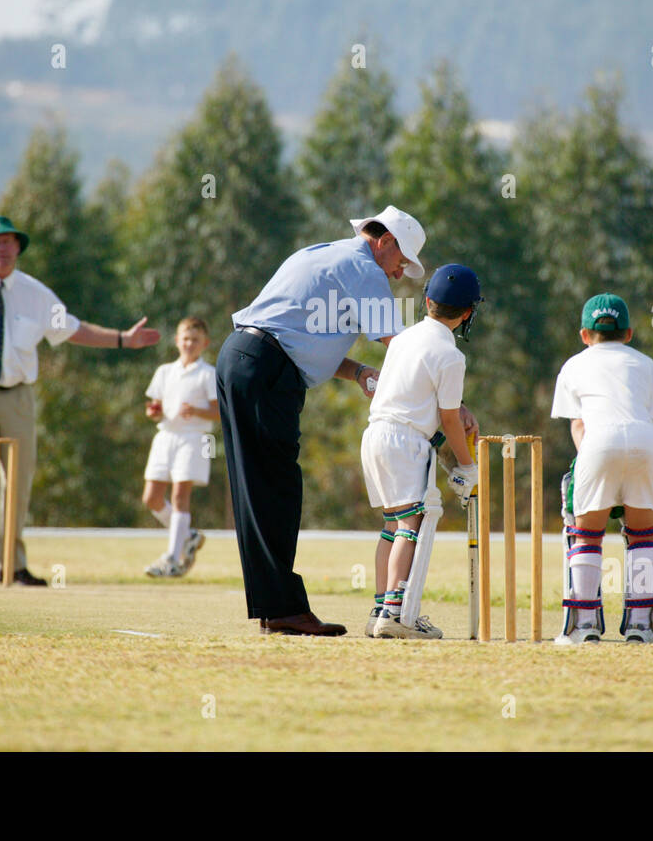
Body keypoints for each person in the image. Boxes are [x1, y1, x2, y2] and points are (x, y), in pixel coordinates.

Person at [218, 205, 476, 636]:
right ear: (386, 241)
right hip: (264, 370)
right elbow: (407, 348)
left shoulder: (325, 253)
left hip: (244, 360)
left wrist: (357, 371)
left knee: (262, 490)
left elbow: (302, 336)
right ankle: (281, 609)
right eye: (401, 262)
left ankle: (275, 608)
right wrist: (457, 404)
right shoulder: (364, 270)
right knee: (276, 489)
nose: (399, 274)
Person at [0, 215, 161, 585]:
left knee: (18, 481)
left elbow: (73, 329)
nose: (2, 248)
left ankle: (14, 566)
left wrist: (122, 340)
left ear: (18, 247)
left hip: (17, 395)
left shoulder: (35, 293)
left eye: (8, 242)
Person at [362, 264, 481, 639]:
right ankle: (396, 615)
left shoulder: (402, 339)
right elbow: (448, 419)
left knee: (392, 525)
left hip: (375, 434)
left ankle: (381, 609)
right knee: (410, 525)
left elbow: (436, 404)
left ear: (427, 300)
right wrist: (467, 465)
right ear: (468, 313)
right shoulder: (451, 356)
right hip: (405, 441)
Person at [550, 293, 653, 644]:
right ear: (629, 334)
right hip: (644, 443)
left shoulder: (574, 365)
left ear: (584, 335)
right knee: (644, 535)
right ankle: (642, 627)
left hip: (597, 442)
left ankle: (583, 626)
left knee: (586, 534)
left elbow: (578, 426)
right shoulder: (645, 364)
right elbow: (648, 419)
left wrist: (595, 467)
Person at [142, 317, 219, 577]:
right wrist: (154, 412)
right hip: (165, 436)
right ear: (177, 340)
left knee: (179, 496)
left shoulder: (208, 374)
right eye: (185, 338)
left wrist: (197, 411)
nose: (189, 344)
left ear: (204, 343)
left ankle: (173, 559)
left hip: (194, 438)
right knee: (151, 498)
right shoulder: (164, 372)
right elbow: (154, 407)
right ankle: (188, 535)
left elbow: (220, 412)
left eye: (195, 340)